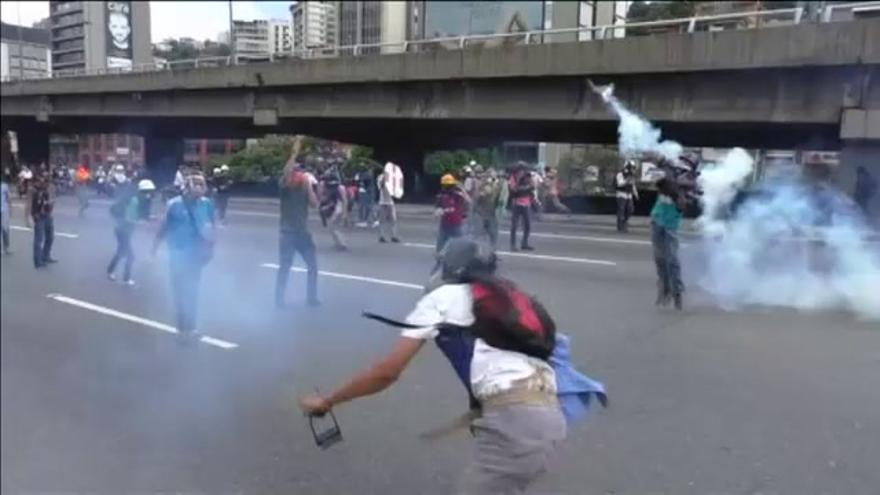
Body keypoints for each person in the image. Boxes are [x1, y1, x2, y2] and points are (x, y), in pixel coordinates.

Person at [299, 238, 566, 494]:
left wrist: (328, 400)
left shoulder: (445, 297)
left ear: (452, 267)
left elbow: (387, 372)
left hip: (516, 424)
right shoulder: (508, 298)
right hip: (547, 417)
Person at [152, 172, 216, 343]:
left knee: (193, 292)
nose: (200, 190)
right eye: (196, 187)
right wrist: (154, 248)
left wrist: (210, 248)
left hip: (197, 255)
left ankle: (191, 327)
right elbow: (163, 228)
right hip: (178, 255)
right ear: (187, 188)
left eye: (202, 187)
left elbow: (211, 227)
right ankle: (182, 329)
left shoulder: (207, 204)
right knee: (181, 292)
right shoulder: (174, 205)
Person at [275, 140, 320, 309]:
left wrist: (308, 186)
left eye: (300, 170)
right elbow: (286, 172)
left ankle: (311, 297)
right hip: (287, 233)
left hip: (302, 233)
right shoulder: (285, 186)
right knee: (285, 267)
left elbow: (315, 205)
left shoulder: (303, 186)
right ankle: (279, 299)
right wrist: (294, 153)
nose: (298, 173)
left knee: (313, 266)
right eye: (296, 170)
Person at [649, 155, 695, 310]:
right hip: (657, 219)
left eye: (687, 164)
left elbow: (683, 203)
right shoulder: (666, 177)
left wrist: (678, 192)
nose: (683, 165)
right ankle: (664, 290)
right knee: (659, 259)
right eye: (682, 162)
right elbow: (657, 180)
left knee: (672, 260)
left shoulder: (690, 184)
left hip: (671, 225)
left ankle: (677, 292)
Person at [107, 181, 139, 285]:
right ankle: (126, 278)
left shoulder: (127, 200)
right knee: (130, 256)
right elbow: (130, 217)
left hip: (122, 231)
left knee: (121, 252)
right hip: (123, 231)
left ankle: (110, 271)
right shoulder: (132, 201)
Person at [26, 168, 57, 268]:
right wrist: (28, 219)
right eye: (45, 179)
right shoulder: (33, 189)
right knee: (39, 240)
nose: (47, 182)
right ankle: (38, 261)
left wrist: (51, 208)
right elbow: (29, 204)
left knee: (50, 237)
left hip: (47, 215)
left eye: (48, 179)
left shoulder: (48, 188)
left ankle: (45, 256)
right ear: (39, 179)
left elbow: (52, 201)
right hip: (38, 216)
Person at [434, 174, 469, 254]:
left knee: (460, 244)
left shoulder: (457, 195)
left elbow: (468, 200)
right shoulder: (441, 196)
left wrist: (462, 189)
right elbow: (437, 211)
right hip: (446, 225)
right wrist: (443, 211)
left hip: (455, 224)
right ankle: (440, 257)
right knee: (441, 245)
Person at [472, 168, 502, 251]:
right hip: (481, 214)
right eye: (491, 176)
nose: (493, 178)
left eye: (494, 176)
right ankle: (475, 252)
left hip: (491, 213)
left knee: (493, 234)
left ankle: (492, 253)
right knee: (478, 234)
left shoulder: (496, 186)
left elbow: (499, 198)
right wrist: (483, 192)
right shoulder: (483, 185)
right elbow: (477, 197)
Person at [319, 168, 349, 251]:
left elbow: (344, 200)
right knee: (333, 226)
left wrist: (345, 213)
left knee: (333, 226)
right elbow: (324, 199)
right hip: (334, 206)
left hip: (338, 206)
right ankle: (338, 243)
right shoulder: (328, 186)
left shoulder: (339, 188)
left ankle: (342, 244)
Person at [509, 163, 535, 251]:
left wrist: (524, 188)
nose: (522, 172)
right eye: (520, 170)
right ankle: (513, 245)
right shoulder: (513, 177)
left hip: (526, 203)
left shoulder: (528, 176)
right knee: (514, 225)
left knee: (527, 225)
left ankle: (524, 243)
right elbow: (513, 189)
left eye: (523, 170)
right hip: (516, 203)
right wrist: (520, 183)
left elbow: (533, 186)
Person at [376, 163, 401, 243]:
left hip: (390, 202)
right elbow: (381, 187)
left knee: (393, 220)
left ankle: (393, 236)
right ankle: (382, 236)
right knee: (382, 220)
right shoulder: (380, 177)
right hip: (382, 202)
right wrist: (385, 178)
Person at [615, 161, 639, 232]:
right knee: (621, 210)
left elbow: (633, 185)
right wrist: (626, 181)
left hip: (629, 195)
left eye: (633, 168)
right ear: (627, 167)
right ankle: (620, 226)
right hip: (621, 194)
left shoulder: (631, 175)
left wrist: (636, 194)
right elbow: (619, 184)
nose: (633, 169)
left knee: (630, 210)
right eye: (632, 168)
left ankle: (624, 221)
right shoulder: (620, 174)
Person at [1, 171, 11, 255]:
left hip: (4, 210)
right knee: (4, 230)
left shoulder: (5, 186)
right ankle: (5, 248)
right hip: (4, 210)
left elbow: (8, 198)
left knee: (5, 230)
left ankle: (6, 248)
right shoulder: (5, 186)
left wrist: (10, 208)